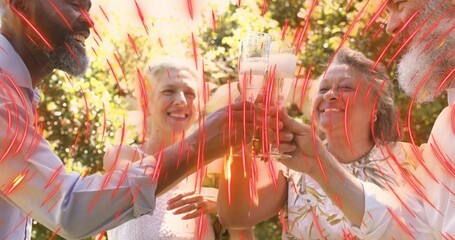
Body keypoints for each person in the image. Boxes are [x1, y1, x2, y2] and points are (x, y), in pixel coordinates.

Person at [0, 0, 254, 239]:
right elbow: (68, 208)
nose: (89, 22)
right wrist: (200, 144)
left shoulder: (19, 94)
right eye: (74, 4)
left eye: (89, 8)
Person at [217, 48, 431, 239]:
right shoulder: (293, 164)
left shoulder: (413, 161)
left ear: (375, 108)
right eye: (323, 89)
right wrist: (240, 144)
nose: (330, 95)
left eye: (345, 87)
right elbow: (235, 216)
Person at [105, 58, 218, 239]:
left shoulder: (207, 171)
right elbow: (143, 187)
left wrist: (221, 204)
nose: (181, 101)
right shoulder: (122, 157)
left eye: (190, 93)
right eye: (168, 91)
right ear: (146, 102)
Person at [383, 0, 455, 238]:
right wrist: (320, 167)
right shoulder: (444, 121)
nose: (390, 27)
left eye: (400, 5)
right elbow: (417, 220)